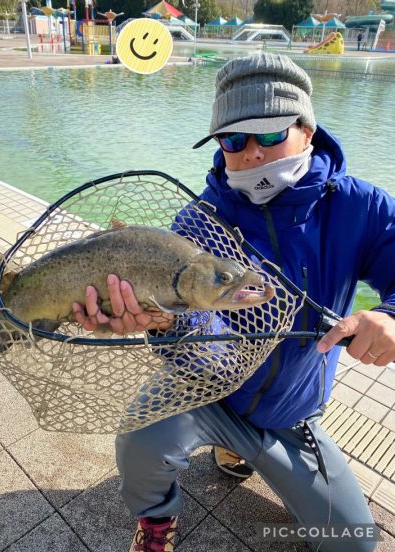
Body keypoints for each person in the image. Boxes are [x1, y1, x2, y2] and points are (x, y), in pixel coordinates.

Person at [73, 53, 395, 552]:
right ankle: (157, 520)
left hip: (292, 413)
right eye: (233, 140)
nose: (251, 154)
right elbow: (189, 341)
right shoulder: (196, 225)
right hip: (208, 392)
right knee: (138, 438)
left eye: (269, 135)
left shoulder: (361, 207)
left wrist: (390, 316)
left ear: (307, 131)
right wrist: (162, 325)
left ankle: (239, 450)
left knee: (353, 543)